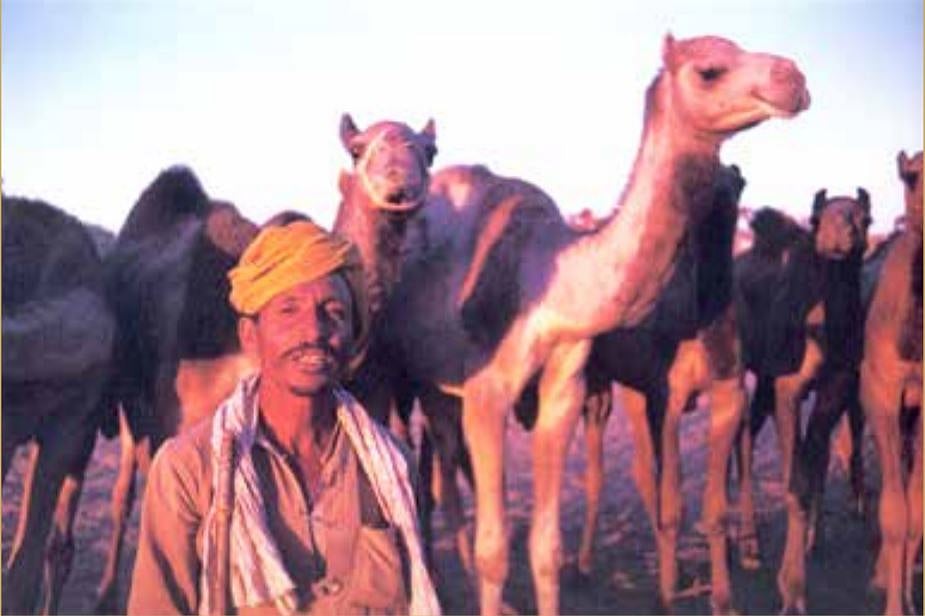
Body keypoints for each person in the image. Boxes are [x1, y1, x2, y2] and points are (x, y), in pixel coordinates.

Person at [127, 219, 440, 615]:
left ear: (351, 335)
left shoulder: (389, 467)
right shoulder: (188, 471)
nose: (313, 331)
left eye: (334, 312)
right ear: (249, 335)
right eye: (288, 311)